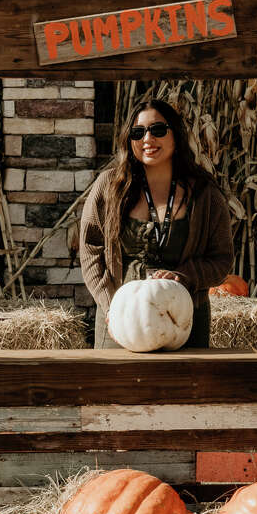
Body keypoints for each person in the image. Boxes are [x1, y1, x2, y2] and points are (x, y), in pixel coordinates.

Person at [80, 98, 234, 349]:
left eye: (158, 130)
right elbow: (90, 249)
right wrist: (111, 304)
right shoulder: (109, 187)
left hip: (182, 320)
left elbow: (221, 258)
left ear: (176, 135)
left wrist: (184, 277)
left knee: (185, 389)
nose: (148, 139)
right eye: (138, 132)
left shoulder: (205, 195)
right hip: (121, 320)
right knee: (116, 388)